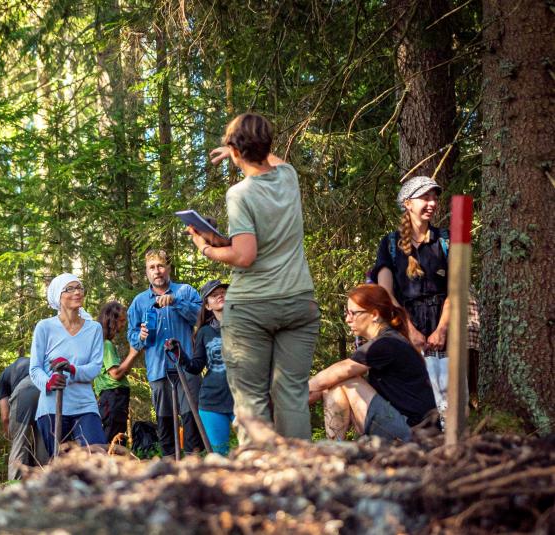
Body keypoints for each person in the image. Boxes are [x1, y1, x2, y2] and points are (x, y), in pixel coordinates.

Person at [189, 112, 321, 444]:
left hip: (253, 306)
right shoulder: (288, 175)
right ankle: (299, 469)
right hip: (298, 301)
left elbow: (244, 255)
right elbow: (270, 158)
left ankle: (260, 473)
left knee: (251, 396)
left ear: (235, 150)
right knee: (291, 392)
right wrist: (238, 150)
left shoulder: (240, 194)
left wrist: (205, 249)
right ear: (268, 144)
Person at [307, 284, 437, 442]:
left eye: (353, 313)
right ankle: (334, 447)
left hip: (412, 434)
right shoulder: (389, 340)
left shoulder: (384, 344)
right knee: (335, 383)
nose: (348, 319)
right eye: (346, 313)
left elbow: (339, 371)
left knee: (346, 381)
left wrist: (297, 395)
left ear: (374, 314)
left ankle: (333, 449)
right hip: (409, 429)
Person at [370, 176, 451, 416]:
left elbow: (455, 290)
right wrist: (409, 330)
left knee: (446, 393)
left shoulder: (445, 240)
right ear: (408, 203)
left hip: (443, 321)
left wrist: (442, 329)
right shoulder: (390, 243)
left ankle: (449, 445)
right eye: (425, 197)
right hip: (404, 322)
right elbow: (385, 292)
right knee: (411, 389)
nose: (432, 203)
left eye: (434, 197)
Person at [126, 250, 203, 457]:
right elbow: (132, 337)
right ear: (146, 272)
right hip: (158, 367)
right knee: (164, 418)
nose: (157, 271)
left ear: (168, 268)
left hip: (186, 366)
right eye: (152, 267)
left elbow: (200, 318)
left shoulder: (185, 292)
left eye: (160, 266)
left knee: (191, 416)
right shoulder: (139, 302)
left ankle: (192, 462)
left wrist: (176, 302)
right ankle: (169, 464)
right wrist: (140, 336)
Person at [30, 274, 107, 455]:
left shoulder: (94, 328)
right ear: (59, 296)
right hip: (51, 406)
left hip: (84, 405)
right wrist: (49, 383)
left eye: (79, 288)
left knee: (96, 456)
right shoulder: (45, 327)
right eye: (70, 289)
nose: (77, 292)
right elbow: (35, 369)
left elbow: (95, 367)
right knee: (62, 464)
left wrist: (71, 368)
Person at [180, 280, 234, 455]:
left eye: (223, 291)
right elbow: (196, 367)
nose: (220, 295)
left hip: (244, 398)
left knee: (256, 450)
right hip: (212, 401)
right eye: (213, 294)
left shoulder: (246, 325)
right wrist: (179, 354)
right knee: (220, 454)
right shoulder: (204, 332)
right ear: (207, 305)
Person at [0, 353, 47, 480]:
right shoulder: (35, 363)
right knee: (43, 443)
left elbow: (5, 417)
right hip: (45, 386)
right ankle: (46, 483)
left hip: (25, 389)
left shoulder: (4, 376)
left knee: (19, 442)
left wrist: (9, 434)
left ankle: (15, 486)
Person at [93, 301, 137, 444]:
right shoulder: (106, 344)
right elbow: (116, 374)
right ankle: (109, 464)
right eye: (121, 320)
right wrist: (132, 353)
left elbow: (122, 371)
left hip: (114, 396)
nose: (123, 324)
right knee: (113, 436)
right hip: (113, 396)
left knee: (116, 434)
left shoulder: (105, 343)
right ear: (112, 320)